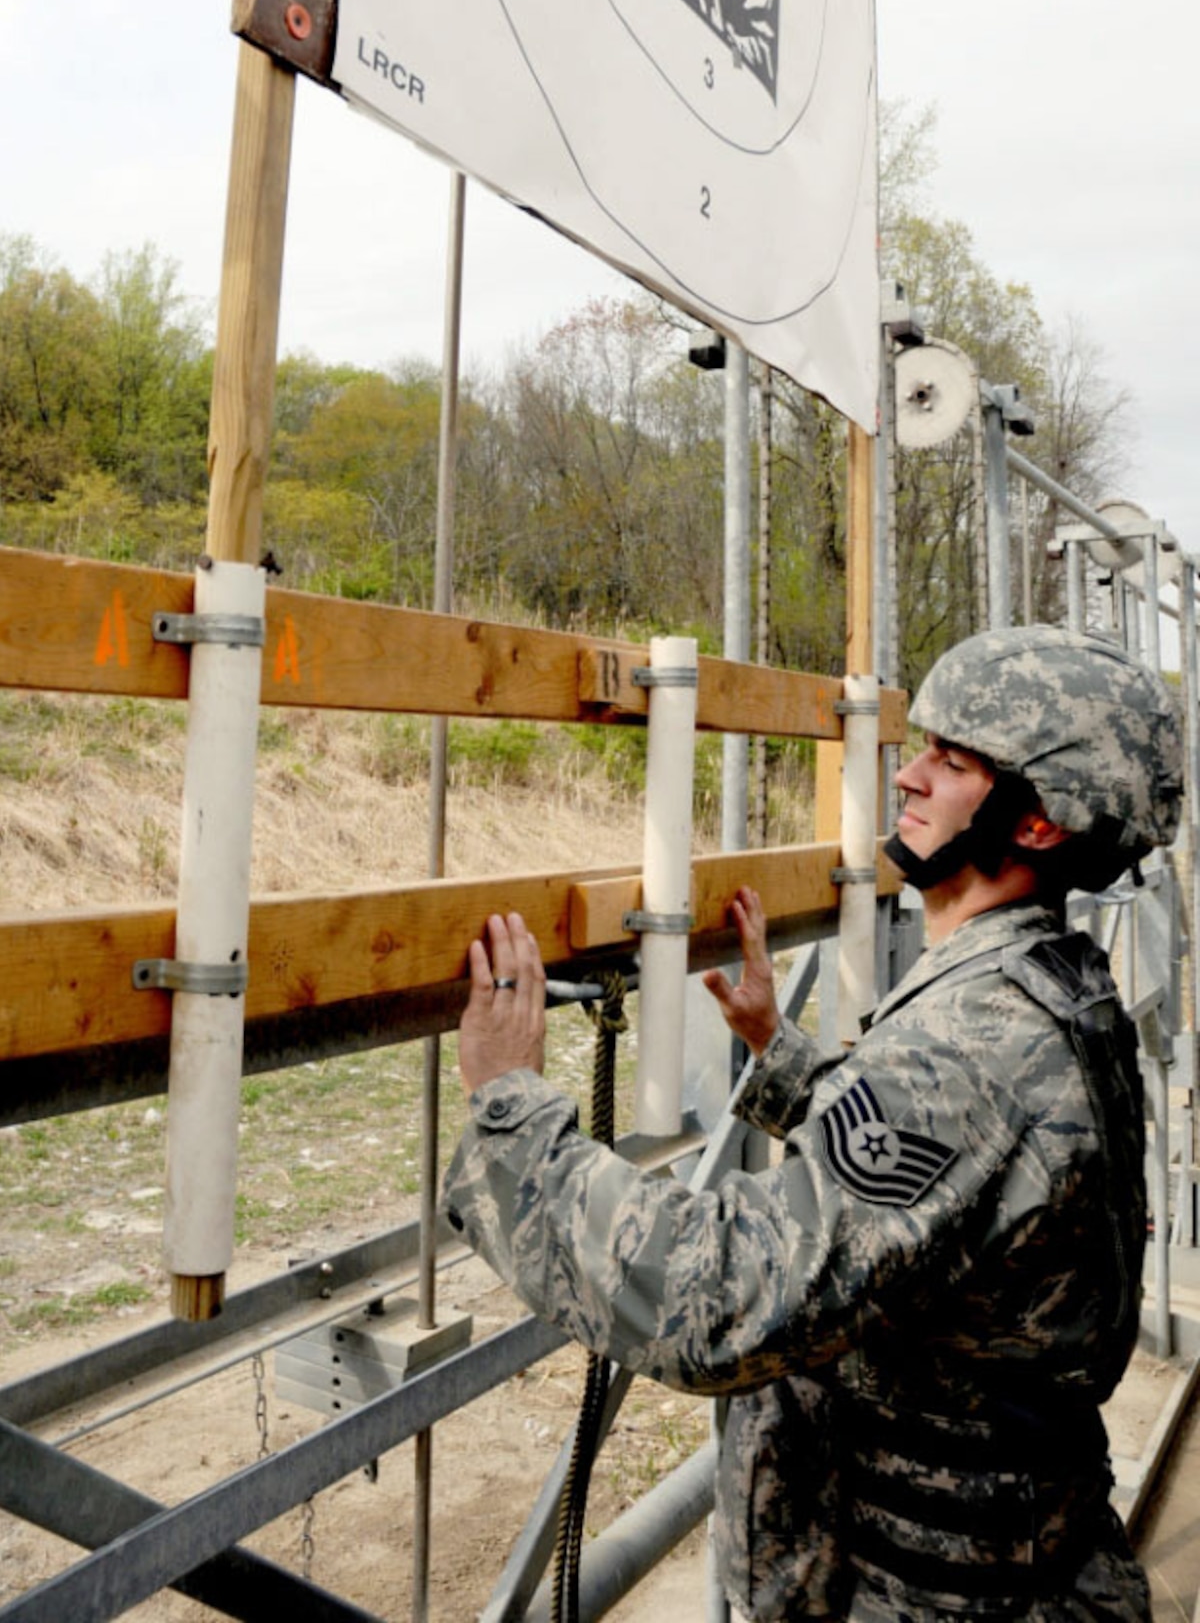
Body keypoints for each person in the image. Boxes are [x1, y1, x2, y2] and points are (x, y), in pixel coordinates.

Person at [442, 624, 1183, 1621]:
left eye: (950, 760)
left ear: (1037, 823)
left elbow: (710, 1296)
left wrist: (508, 1112)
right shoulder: (1043, 983)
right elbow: (959, 1191)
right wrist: (784, 1057)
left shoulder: (971, 1044)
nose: (908, 773)